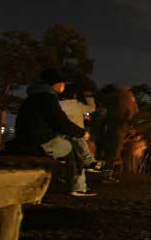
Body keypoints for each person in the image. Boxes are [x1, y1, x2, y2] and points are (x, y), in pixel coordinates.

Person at [10, 68, 99, 196]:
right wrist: (82, 133)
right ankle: (78, 185)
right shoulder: (48, 98)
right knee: (72, 148)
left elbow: (56, 123)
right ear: (55, 83)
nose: (63, 85)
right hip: (39, 143)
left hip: (27, 139)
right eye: (62, 82)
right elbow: (61, 122)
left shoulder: (33, 97)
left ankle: (87, 164)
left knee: (72, 139)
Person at [97, 85, 139, 183]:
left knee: (107, 150)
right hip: (119, 126)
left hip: (108, 125)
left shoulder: (111, 98)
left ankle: (103, 172)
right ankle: (106, 175)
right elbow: (133, 112)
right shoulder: (127, 99)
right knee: (114, 151)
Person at [59, 84, 103, 172]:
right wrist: (89, 97)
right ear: (75, 95)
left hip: (61, 133)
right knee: (81, 146)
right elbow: (91, 109)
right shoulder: (78, 106)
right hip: (77, 132)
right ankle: (90, 162)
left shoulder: (58, 104)